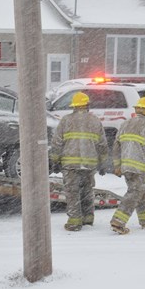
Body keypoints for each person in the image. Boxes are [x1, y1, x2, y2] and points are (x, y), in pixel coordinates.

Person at [50, 92, 109, 231]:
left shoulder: (66, 120)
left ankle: (74, 222)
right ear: (87, 105)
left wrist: (55, 160)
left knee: (72, 193)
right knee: (87, 191)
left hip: (70, 164)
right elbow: (102, 144)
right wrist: (103, 163)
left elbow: (57, 142)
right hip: (89, 164)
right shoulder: (95, 121)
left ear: (74, 106)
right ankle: (88, 218)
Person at [110, 97, 145, 234]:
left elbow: (116, 146)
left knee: (140, 193)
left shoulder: (125, 124)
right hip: (140, 167)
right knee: (135, 192)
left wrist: (117, 165)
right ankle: (118, 221)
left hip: (126, 167)